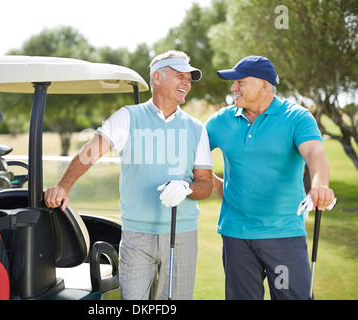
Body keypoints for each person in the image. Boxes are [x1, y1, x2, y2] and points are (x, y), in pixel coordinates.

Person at [44, 50, 213, 300]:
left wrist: (187, 188)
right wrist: (63, 186)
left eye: (189, 78)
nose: (187, 83)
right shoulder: (128, 117)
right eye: (180, 76)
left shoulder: (196, 128)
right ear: (157, 77)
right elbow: (89, 153)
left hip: (182, 235)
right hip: (137, 236)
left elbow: (206, 185)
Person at [205, 55, 335, 300]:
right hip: (236, 236)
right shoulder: (221, 120)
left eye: (240, 82)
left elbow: (315, 155)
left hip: (284, 236)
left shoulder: (296, 117)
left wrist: (320, 186)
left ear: (263, 85)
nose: (233, 88)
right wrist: (215, 184)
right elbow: (192, 154)